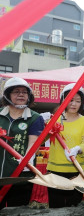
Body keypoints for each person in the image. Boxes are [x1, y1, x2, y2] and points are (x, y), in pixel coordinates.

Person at [46, 83, 84, 208]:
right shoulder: (54, 119)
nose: (74, 104)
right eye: (70, 100)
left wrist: (78, 149)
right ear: (63, 101)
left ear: (82, 103)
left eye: (78, 101)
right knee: (56, 208)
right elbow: (41, 139)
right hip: (56, 171)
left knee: (74, 208)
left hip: (77, 171)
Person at [0, 77, 44, 209]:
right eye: (16, 91)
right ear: (8, 95)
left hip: (20, 176)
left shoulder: (35, 118)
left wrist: (28, 159)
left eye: (24, 92)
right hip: (0, 172)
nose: (21, 94)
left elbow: (33, 143)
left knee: (17, 209)